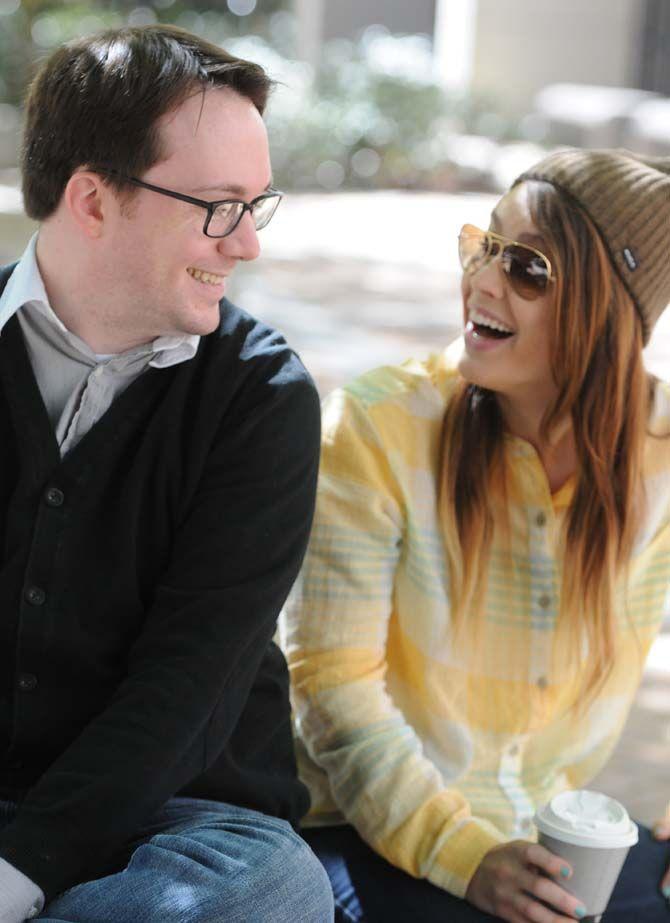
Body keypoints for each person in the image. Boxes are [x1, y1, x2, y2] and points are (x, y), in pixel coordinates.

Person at [282, 147, 670, 922]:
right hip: (371, 830)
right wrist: (465, 857)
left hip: (552, 836)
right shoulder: (379, 426)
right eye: (485, 245)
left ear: (611, 313)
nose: (482, 282)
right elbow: (333, 685)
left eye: (529, 268)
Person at [0, 23, 333, 923]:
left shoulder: (261, 398)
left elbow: (188, 687)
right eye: (219, 205)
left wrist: (18, 874)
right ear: (94, 200)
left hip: (188, 817)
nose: (246, 245)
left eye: (254, 206)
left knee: (264, 893)